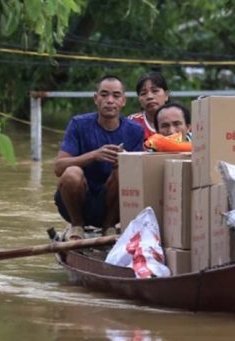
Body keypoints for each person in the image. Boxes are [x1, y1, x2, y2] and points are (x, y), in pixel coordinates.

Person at [54, 75, 144, 241]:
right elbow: (59, 168)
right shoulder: (78, 124)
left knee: (124, 173)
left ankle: (109, 227)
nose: (109, 100)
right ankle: (77, 225)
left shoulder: (135, 131)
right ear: (96, 99)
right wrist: (94, 155)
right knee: (72, 172)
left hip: (113, 206)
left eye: (116, 96)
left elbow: (140, 176)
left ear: (123, 101)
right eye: (104, 95)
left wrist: (123, 163)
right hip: (78, 202)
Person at [128, 72, 170, 139]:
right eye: (143, 93)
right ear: (139, 99)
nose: (149, 96)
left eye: (155, 91)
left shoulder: (178, 120)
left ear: (166, 95)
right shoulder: (132, 122)